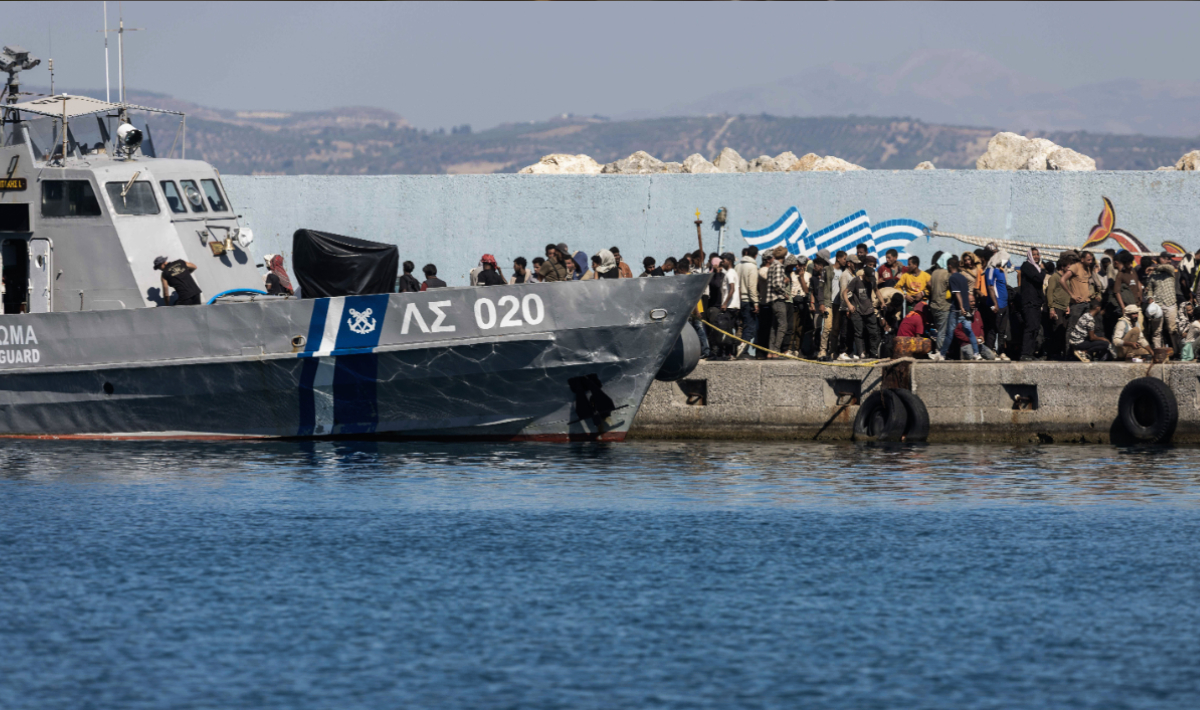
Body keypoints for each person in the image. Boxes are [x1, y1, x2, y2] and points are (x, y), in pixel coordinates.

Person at [940, 256, 982, 360]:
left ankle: (941, 354)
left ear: (949, 266)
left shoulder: (953, 277)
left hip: (956, 309)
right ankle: (976, 353)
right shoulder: (963, 277)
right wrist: (966, 307)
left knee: (949, 333)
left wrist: (961, 307)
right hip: (966, 308)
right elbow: (966, 292)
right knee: (969, 331)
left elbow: (957, 293)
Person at [843, 264, 880, 360]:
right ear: (864, 275)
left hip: (869, 310)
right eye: (869, 278)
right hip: (857, 310)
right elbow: (844, 292)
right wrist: (849, 305)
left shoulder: (872, 281)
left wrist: (882, 302)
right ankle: (861, 353)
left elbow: (877, 290)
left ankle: (873, 353)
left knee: (873, 332)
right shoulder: (856, 280)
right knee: (859, 333)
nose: (870, 280)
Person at [1144, 252, 1180, 353]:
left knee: (1173, 330)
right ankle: (1158, 352)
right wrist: (1150, 298)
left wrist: (1154, 268)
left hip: (1170, 303)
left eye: (1170, 258)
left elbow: (1167, 267)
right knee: (1156, 331)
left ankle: (1177, 351)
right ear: (1160, 259)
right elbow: (1150, 289)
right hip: (1157, 305)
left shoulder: (1171, 270)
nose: (1169, 260)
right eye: (1167, 258)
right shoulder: (1153, 275)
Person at [981, 252, 1011, 360]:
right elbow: (990, 287)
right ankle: (990, 352)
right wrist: (995, 304)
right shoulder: (991, 270)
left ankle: (1001, 352)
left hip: (1004, 305)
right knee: (993, 329)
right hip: (996, 305)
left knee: (1002, 330)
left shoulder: (1001, 271)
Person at [1018, 248, 1045, 361]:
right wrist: (1043, 270)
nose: (1036, 257)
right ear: (1029, 256)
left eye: (1037, 254)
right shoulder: (1027, 266)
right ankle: (1025, 354)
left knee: (1035, 328)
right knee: (1030, 327)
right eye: (1034, 255)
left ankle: (1030, 353)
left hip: (1036, 303)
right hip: (1029, 302)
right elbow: (1038, 279)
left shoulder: (1036, 268)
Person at [764, 246, 790, 359]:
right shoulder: (779, 266)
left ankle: (770, 351)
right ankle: (776, 351)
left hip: (771, 301)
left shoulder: (771, 266)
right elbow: (777, 284)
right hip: (778, 299)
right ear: (784, 256)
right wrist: (784, 293)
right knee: (783, 325)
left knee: (774, 326)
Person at [734, 246, 760, 359]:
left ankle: (737, 349)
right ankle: (743, 351)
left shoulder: (738, 266)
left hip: (738, 300)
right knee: (750, 327)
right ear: (755, 255)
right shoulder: (752, 267)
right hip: (748, 301)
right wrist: (755, 303)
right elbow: (752, 287)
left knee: (741, 326)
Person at [1060, 252, 1092, 338]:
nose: (1090, 262)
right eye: (1088, 260)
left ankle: (1079, 350)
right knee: (1072, 328)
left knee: (1084, 328)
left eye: (1091, 260)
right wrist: (1071, 295)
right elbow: (1062, 280)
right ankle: (1069, 351)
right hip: (1077, 304)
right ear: (1082, 259)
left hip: (1086, 303)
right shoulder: (1075, 267)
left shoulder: (1087, 269)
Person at [1045, 258, 1071, 360]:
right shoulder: (1054, 277)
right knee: (1056, 332)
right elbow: (1050, 293)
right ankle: (1054, 353)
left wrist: (1068, 305)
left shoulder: (1066, 278)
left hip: (1065, 308)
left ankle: (1062, 352)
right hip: (1056, 307)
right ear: (1062, 267)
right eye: (1068, 267)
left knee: (1063, 331)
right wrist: (1051, 308)